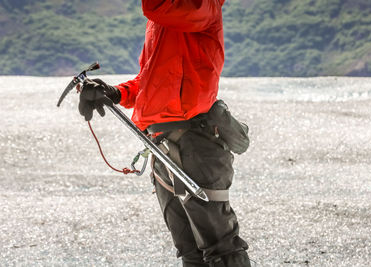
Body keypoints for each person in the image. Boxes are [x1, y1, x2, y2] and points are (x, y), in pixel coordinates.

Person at [78, 1, 251, 266]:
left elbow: (158, 6)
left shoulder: (200, 6)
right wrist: (115, 93)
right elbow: (150, 82)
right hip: (162, 145)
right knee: (191, 253)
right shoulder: (163, 21)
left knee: (222, 250)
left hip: (195, 142)